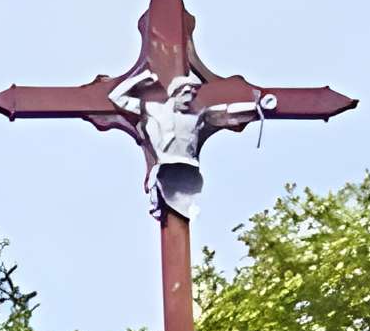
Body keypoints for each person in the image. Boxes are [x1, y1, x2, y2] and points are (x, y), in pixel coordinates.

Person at [107, 67, 264, 221]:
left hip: (189, 170)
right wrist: (141, 78)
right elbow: (116, 97)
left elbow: (227, 112)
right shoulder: (154, 109)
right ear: (176, 93)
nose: (190, 99)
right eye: (187, 93)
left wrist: (257, 107)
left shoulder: (197, 116)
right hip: (166, 167)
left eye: (193, 94)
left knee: (189, 208)